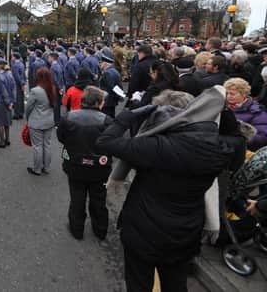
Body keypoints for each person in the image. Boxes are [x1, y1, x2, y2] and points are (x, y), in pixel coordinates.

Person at [95, 90, 234, 292]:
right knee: (176, 283)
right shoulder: (217, 149)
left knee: (139, 283)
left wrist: (126, 117)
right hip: (185, 231)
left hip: (144, 229)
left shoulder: (155, 147)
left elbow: (104, 142)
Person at [57, 86, 112, 240]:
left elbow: (61, 137)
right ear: (99, 103)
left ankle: (77, 229)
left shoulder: (68, 117)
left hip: (75, 164)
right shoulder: (107, 121)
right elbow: (112, 143)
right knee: (99, 198)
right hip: (99, 167)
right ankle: (100, 230)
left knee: (77, 198)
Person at [25, 67, 56, 176]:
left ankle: (37, 169)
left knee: (37, 146)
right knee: (47, 145)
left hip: (37, 121)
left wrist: (27, 118)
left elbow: (28, 107)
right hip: (49, 121)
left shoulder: (35, 91)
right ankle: (46, 167)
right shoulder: (52, 88)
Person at [225, 77, 267, 151]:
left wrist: (236, 141)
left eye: (232, 94)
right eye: (226, 93)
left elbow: (262, 138)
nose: (228, 96)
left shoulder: (256, 112)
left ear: (244, 94)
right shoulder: (221, 107)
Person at [0, 59, 15, 148]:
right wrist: (12, 102)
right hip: (9, 101)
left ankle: (1, 141)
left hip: (2, 101)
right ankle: (7, 139)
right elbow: (13, 89)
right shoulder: (10, 75)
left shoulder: (0, 77)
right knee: (7, 121)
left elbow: (3, 91)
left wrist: (8, 102)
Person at [11, 53, 26, 119]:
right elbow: (23, 74)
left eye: (12, 56)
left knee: (16, 98)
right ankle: (21, 112)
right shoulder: (21, 64)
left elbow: (17, 76)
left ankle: (17, 114)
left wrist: (21, 83)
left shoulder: (15, 65)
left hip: (17, 83)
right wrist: (24, 83)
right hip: (21, 82)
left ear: (14, 57)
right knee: (21, 98)